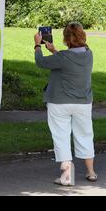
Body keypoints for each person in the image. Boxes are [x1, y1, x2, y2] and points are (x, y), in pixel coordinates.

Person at [34, 22, 98, 186]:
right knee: (85, 135)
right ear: (82, 36)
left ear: (66, 39)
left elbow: (41, 62)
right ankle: (91, 172)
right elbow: (67, 60)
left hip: (59, 103)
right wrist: (54, 50)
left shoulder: (62, 57)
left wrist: (37, 45)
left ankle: (67, 177)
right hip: (83, 103)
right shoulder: (88, 54)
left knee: (61, 136)